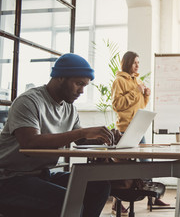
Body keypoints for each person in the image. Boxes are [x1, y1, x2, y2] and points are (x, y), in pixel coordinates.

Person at [0, 53, 115, 217]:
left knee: (98, 186)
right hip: (9, 179)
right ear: (60, 77)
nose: (82, 91)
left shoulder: (69, 108)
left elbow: (81, 140)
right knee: (68, 201)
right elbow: (29, 142)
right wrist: (82, 132)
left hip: (41, 175)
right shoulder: (29, 101)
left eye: (85, 86)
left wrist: (107, 138)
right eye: (78, 84)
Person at [111, 51, 168, 215]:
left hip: (137, 127)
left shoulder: (137, 80)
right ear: (127, 63)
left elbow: (140, 105)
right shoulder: (119, 81)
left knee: (146, 162)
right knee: (125, 167)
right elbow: (118, 105)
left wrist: (146, 95)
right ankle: (116, 203)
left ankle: (152, 197)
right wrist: (136, 91)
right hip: (125, 129)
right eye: (135, 62)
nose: (137, 65)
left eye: (138, 62)